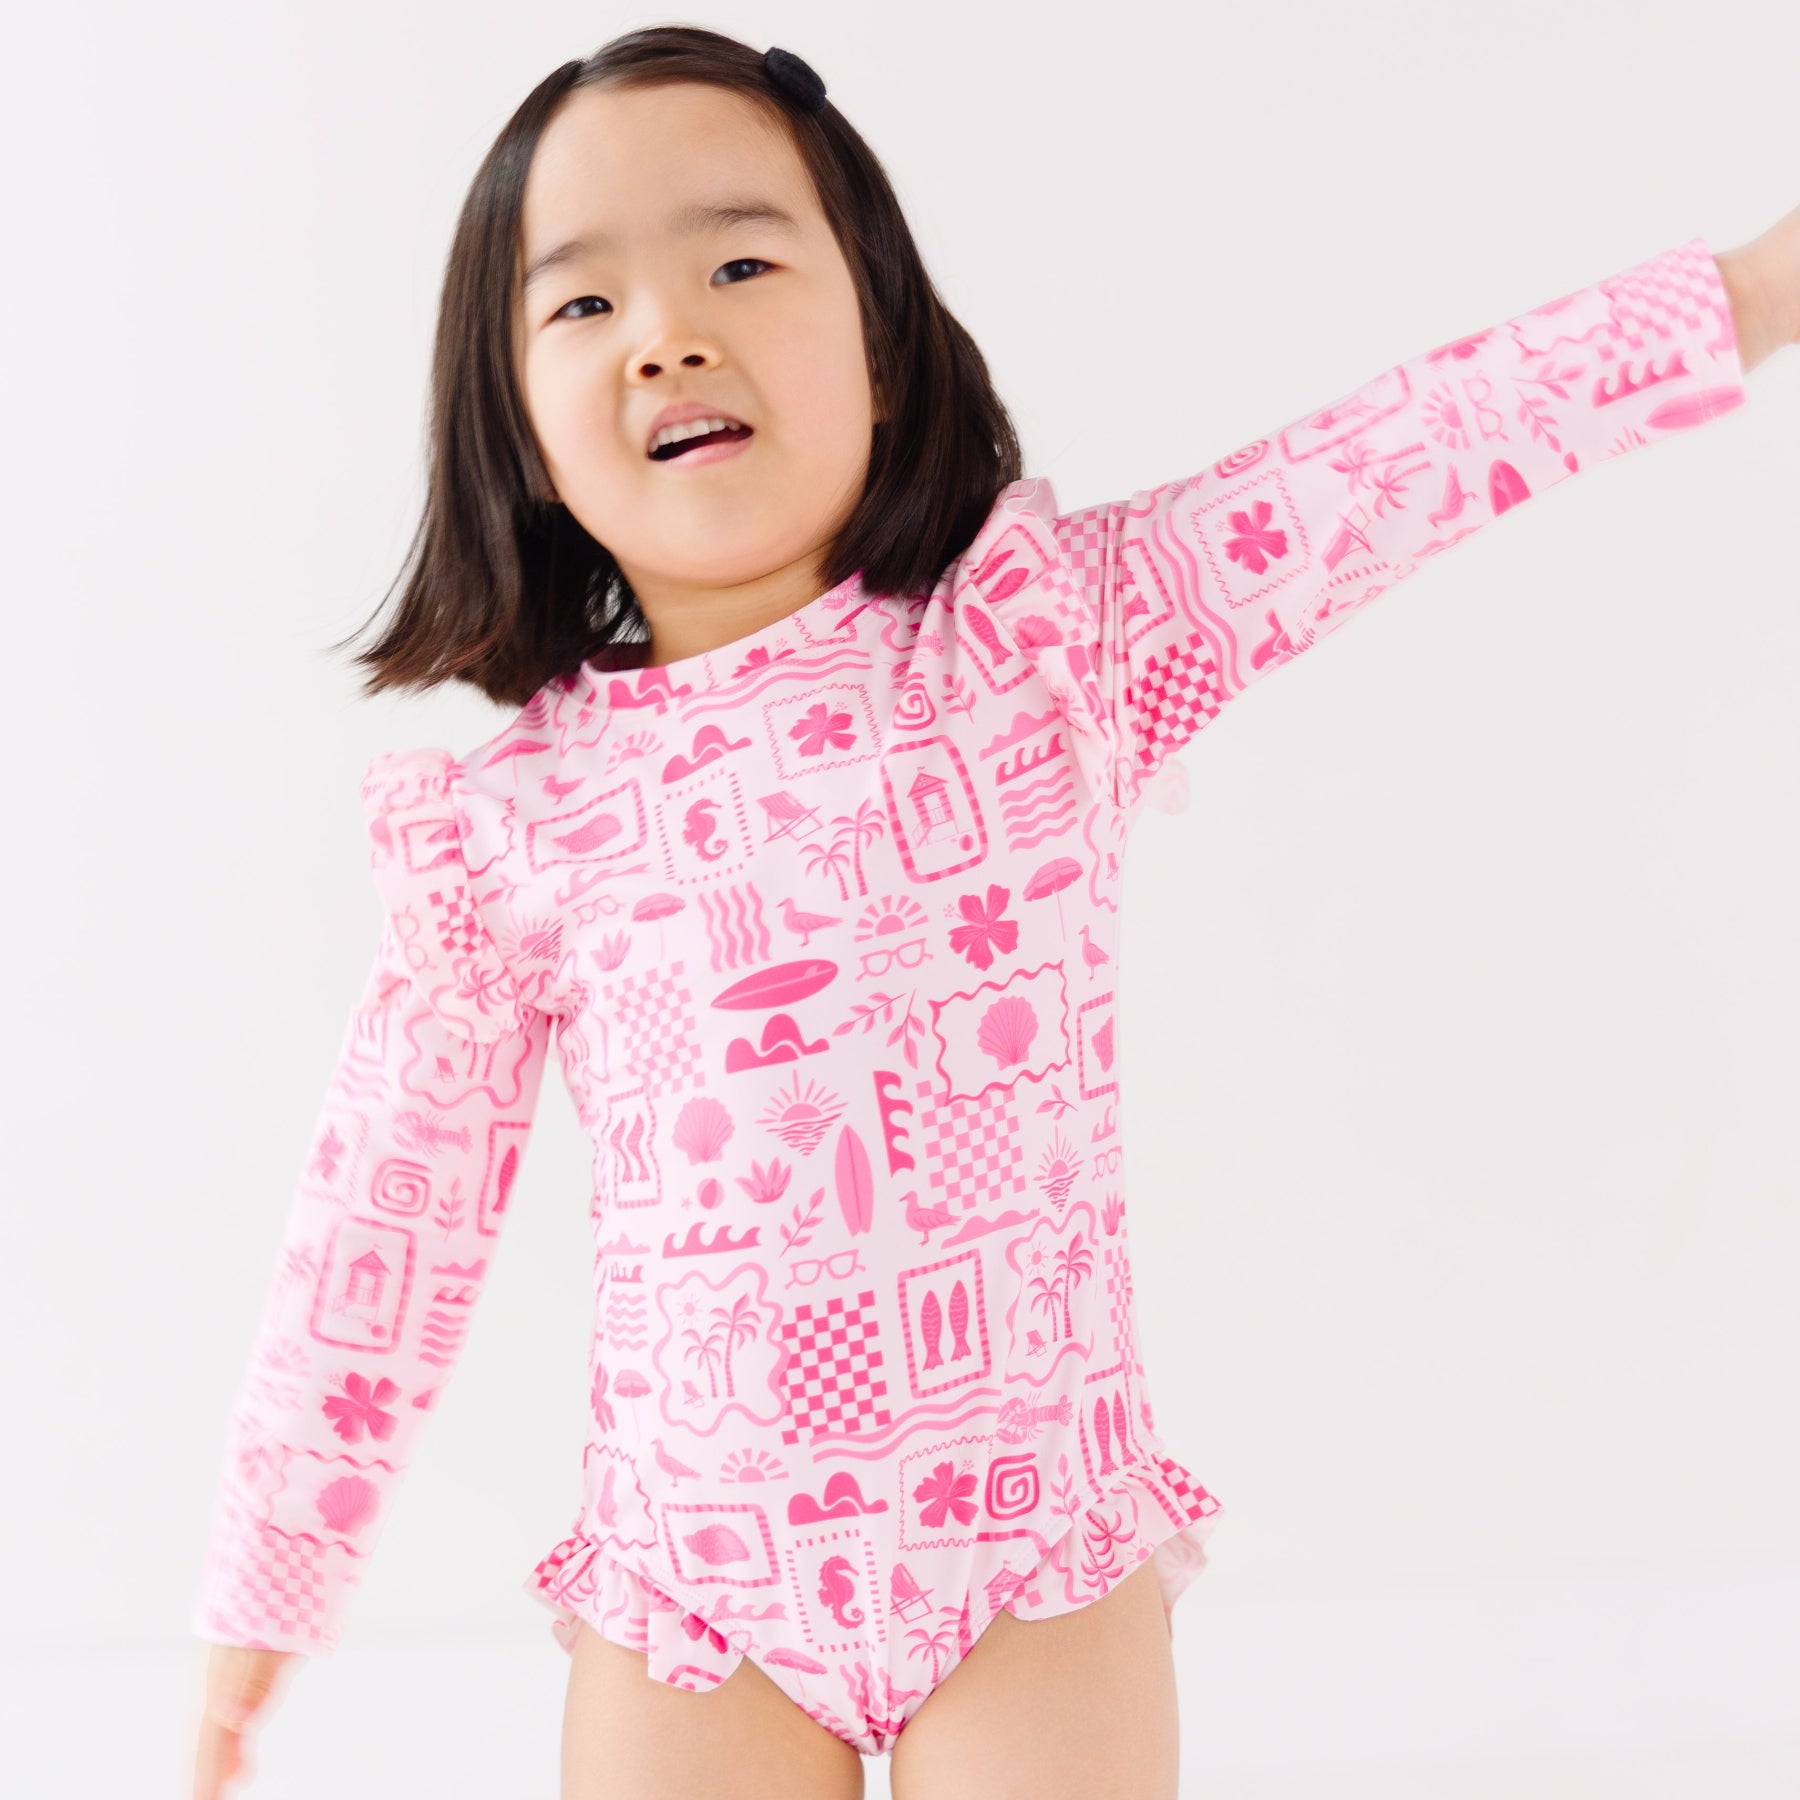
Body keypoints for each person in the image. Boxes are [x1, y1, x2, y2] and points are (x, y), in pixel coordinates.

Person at [186, 22, 1799, 1800]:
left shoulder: (1058, 648)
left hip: (1033, 1568)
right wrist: (268, 1586)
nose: (669, 329)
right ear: (515, 428)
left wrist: (1756, 285)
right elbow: (378, 1226)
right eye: (582, 305)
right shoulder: (514, 832)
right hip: (695, 1601)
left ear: (883, 339)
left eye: (738, 259)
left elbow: (1401, 459)